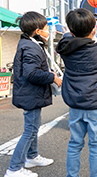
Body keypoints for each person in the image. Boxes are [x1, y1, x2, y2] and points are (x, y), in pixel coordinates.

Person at [55, 8, 97, 177]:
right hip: (95, 104)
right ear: (93, 30)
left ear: (71, 31)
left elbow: (67, 37)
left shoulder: (65, 47)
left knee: (74, 143)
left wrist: (70, 33)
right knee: (95, 146)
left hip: (75, 102)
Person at [4, 12, 62, 177]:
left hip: (30, 94)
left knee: (33, 128)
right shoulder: (31, 46)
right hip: (31, 94)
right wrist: (53, 77)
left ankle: (32, 156)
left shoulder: (29, 43)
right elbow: (32, 74)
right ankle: (14, 169)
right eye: (45, 28)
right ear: (37, 30)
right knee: (30, 130)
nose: (47, 31)